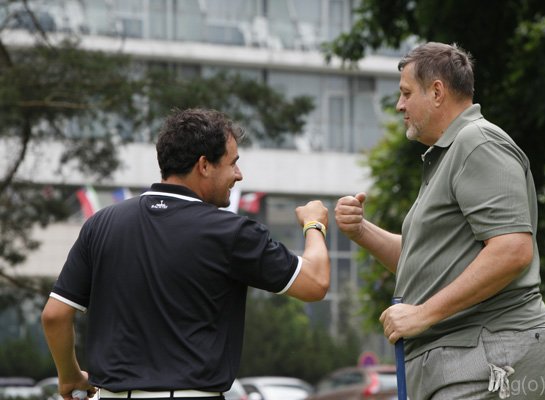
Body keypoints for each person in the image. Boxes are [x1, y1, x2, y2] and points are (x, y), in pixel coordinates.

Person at [41, 108, 330, 400]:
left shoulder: (101, 224)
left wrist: (69, 376)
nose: (238, 174)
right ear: (204, 165)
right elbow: (316, 283)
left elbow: (55, 315)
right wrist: (313, 224)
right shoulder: (231, 231)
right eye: (233, 163)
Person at [335, 42, 545, 400]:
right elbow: (425, 264)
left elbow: (512, 249)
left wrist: (423, 314)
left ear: (437, 92)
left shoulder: (477, 142)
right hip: (468, 354)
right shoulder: (450, 153)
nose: (399, 106)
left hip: (491, 350)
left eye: (406, 93)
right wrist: (360, 230)